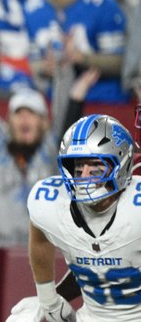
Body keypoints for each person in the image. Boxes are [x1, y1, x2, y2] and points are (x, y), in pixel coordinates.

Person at [0, 20, 99, 245]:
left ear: (44, 123)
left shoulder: (52, 149)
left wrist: (64, 70)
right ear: (8, 123)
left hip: (45, 253)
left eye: (32, 114)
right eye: (18, 114)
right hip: (2, 251)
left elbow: (64, 115)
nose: (24, 119)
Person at [9, 114, 141, 320]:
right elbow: (40, 235)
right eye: (78, 168)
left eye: (96, 168)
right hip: (92, 316)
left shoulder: (136, 209)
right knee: (22, 318)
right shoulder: (51, 204)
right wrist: (48, 300)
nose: (84, 178)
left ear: (121, 166)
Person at [25, 0, 128, 103]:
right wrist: (45, 68)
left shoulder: (101, 3)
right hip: (59, 103)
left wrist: (82, 59)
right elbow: (34, 61)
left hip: (104, 101)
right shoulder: (34, 8)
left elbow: (121, 63)